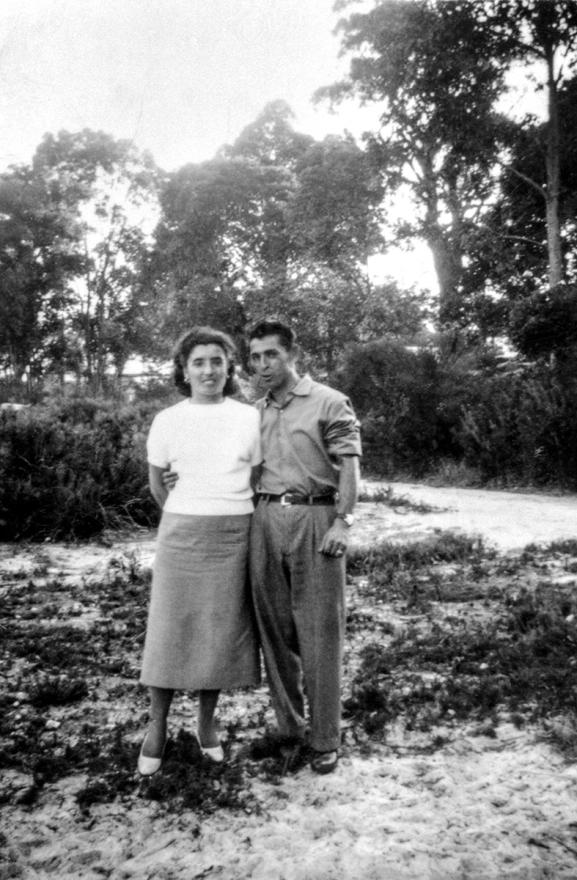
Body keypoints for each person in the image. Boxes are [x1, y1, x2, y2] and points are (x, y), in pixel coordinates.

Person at [138, 326, 262, 776]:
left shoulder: (249, 417)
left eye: (216, 361)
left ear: (229, 367)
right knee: (170, 629)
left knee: (218, 631)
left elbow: (257, 477)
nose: (208, 370)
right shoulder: (168, 420)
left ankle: (206, 725)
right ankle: (157, 726)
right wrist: (187, 508)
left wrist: (223, 506)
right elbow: (157, 484)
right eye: (198, 362)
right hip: (181, 534)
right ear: (184, 370)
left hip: (233, 534)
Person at [248, 319, 361, 774]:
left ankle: (325, 738)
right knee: (274, 635)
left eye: (270, 355)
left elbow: (350, 469)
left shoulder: (329, 401)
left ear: (292, 355)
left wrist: (343, 521)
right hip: (264, 520)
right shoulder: (253, 411)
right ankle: (289, 731)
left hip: (316, 520)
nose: (262, 365)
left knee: (320, 634)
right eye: (254, 357)